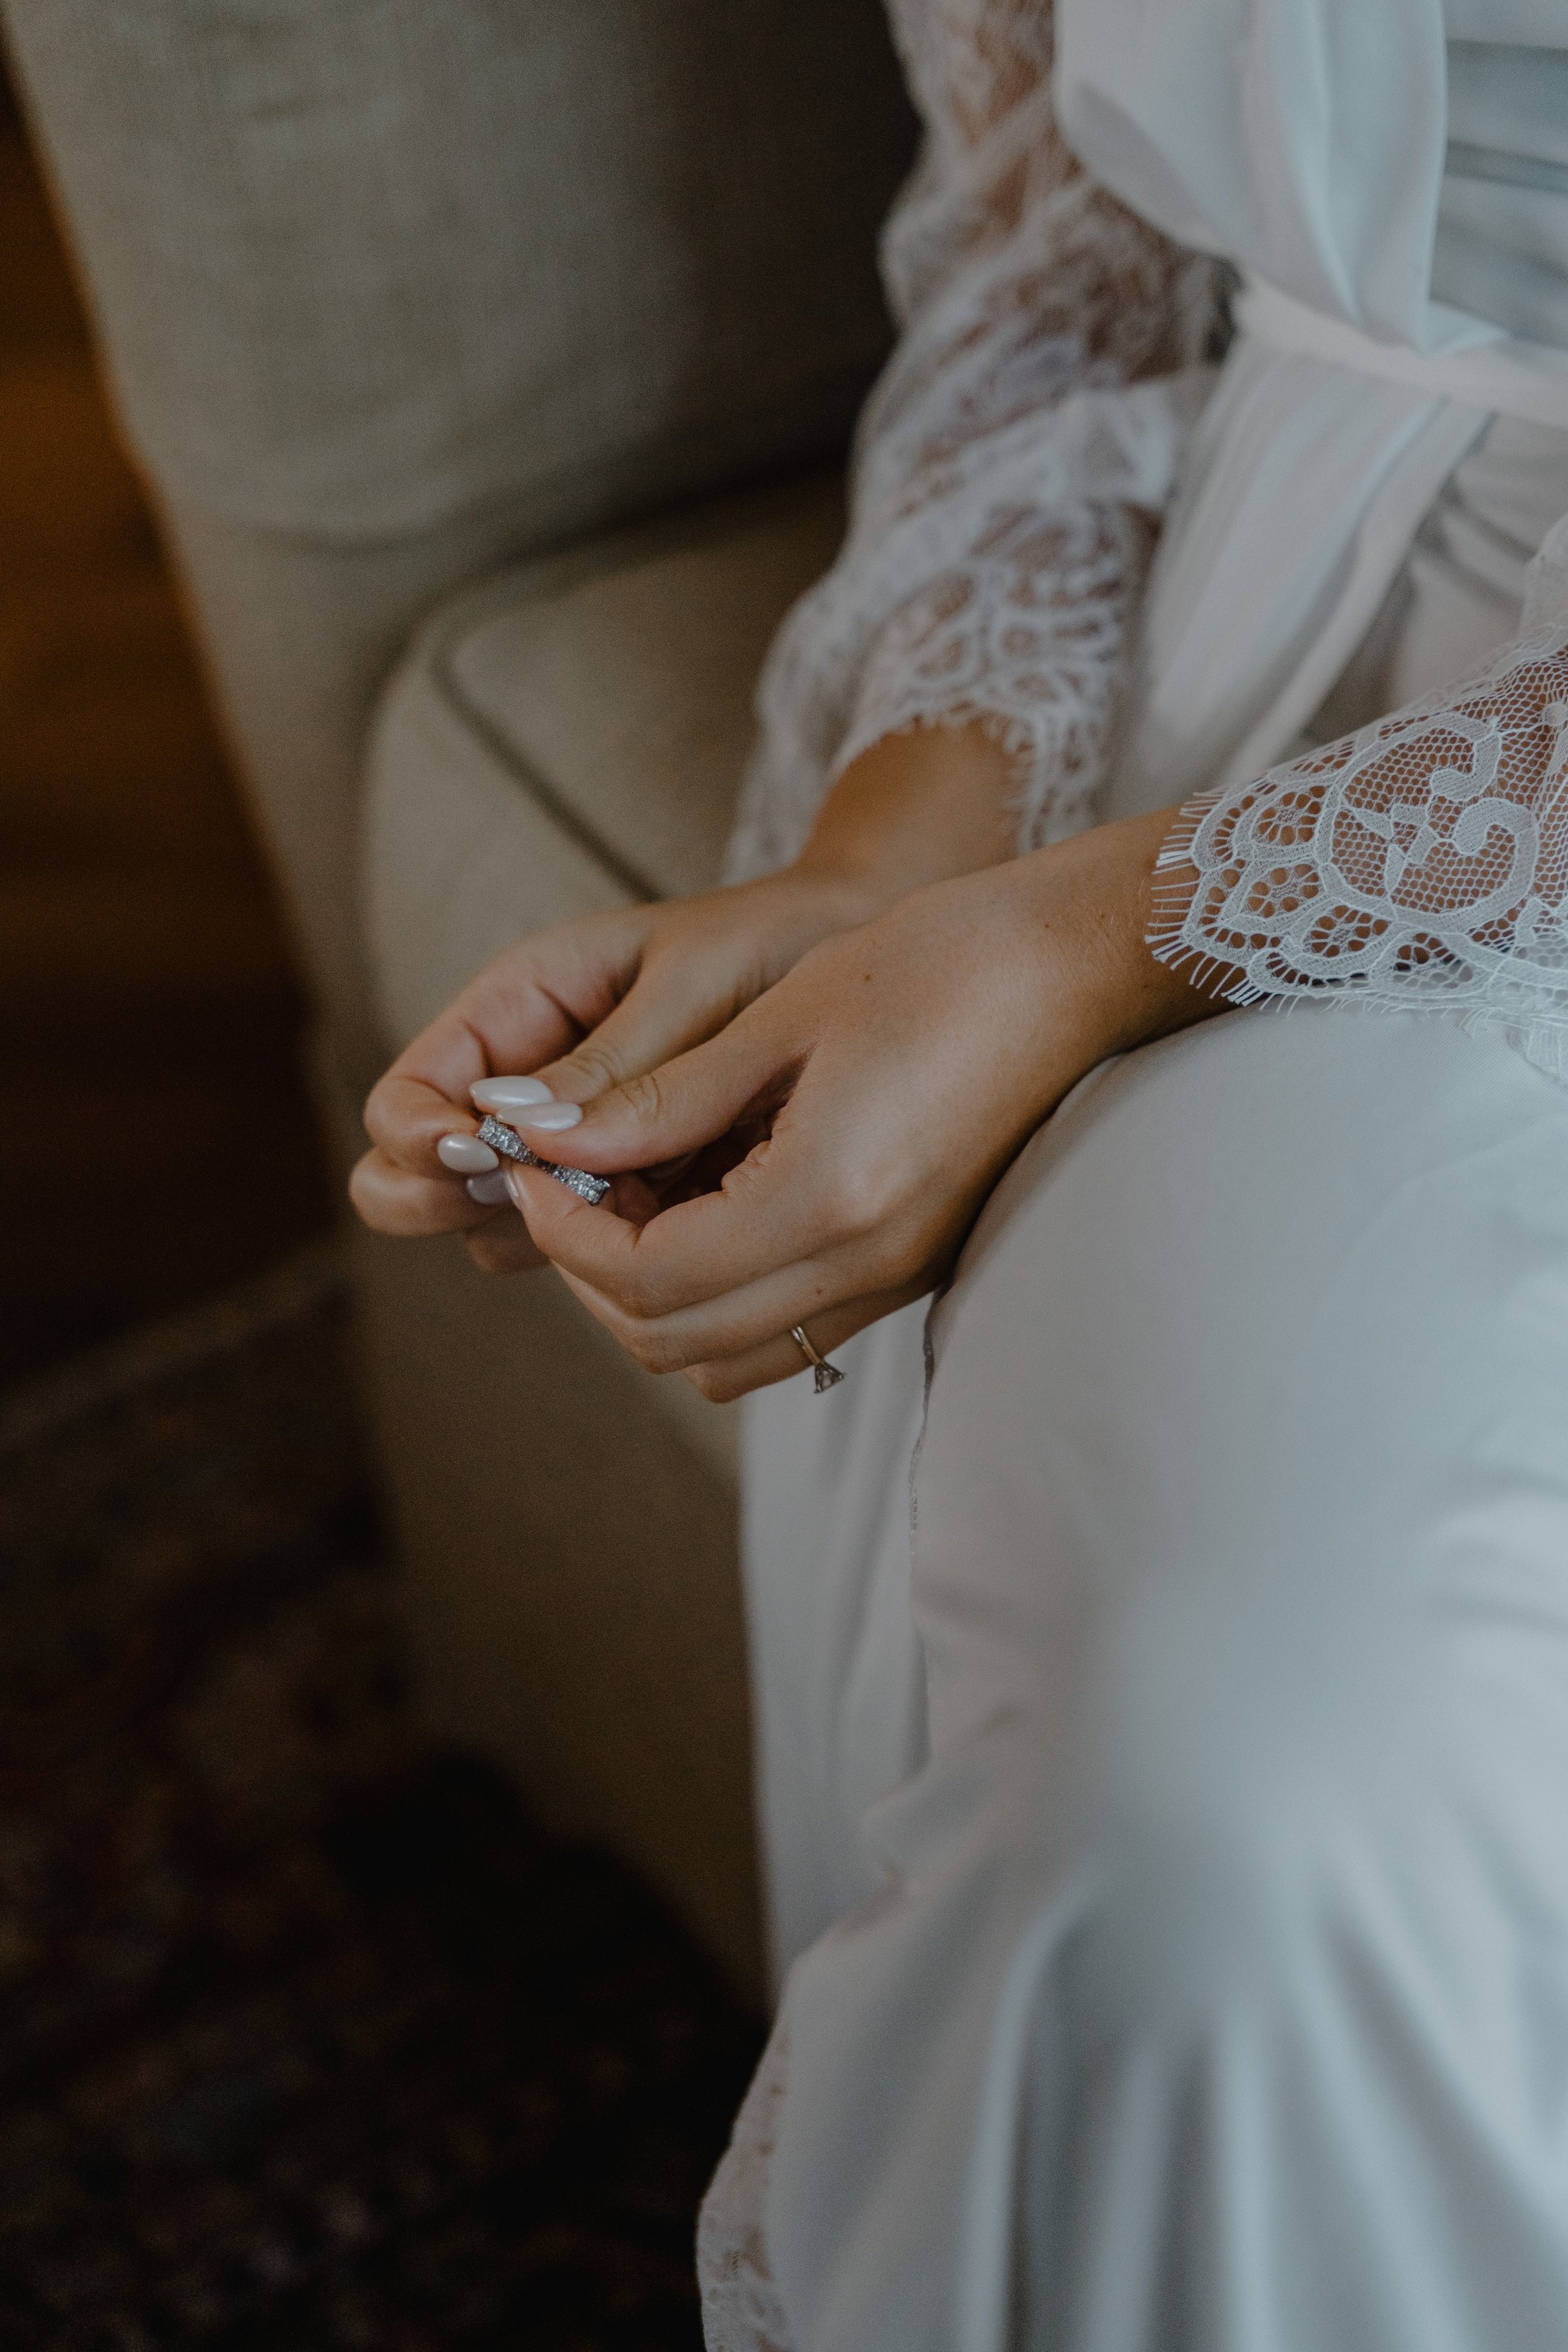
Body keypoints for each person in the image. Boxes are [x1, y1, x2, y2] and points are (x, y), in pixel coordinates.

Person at [351, 1, 1568, 2342]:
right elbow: (1065, 249)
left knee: (1230, 1812)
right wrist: (889, 862)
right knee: (1138, 1761)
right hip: (1271, 591)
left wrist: (1089, 937)